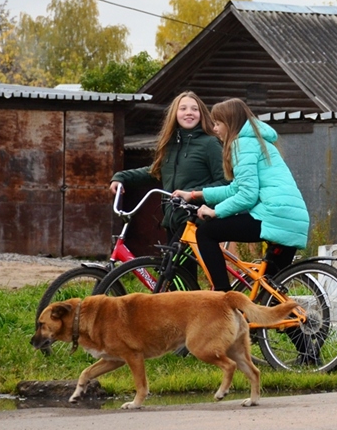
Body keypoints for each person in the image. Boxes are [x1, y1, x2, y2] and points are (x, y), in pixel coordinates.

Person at [173, 98, 309, 291]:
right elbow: (235, 188)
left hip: (273, 216)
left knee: (206, 233)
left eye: (218, 123)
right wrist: (195, 195)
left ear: (230, 124)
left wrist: (215, 212)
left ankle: (225, 299)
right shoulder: (258, 142)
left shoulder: (242, 145)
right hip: (291, 218)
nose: (215, 129)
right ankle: (288, 319)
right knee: (268, 292)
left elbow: (247, 195)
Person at [110, 91, 227, 242]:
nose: (189, 113)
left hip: (196, 219)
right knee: (172, 265)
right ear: (175, 114)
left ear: (201, 114)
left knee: (182, 265)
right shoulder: (170, 144)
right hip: (172, 219)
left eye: (194, 109)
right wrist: (121, 177)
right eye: (183, 108)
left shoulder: (210, 143)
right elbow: (155, 172)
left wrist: (193, 194)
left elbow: (225, 182)